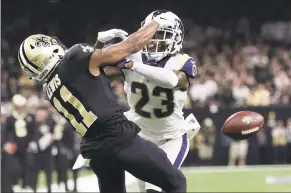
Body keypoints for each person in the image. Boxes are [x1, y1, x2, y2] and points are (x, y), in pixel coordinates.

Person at [18, 12, 186, 193]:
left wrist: (98, 45)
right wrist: (156, 22)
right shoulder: (74, 57)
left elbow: (90, 71)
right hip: (119, 138)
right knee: (175, 182)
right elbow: (131, 45)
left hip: (95, 150)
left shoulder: (48, 90)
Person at [100, 10, 200, 192]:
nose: (155, 41)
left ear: (176, 38)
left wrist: (134, 66)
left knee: (154, 189)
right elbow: (95, 67)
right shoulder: (133, 56)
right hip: (140, 136)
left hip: (171, 138)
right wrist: (103, 46)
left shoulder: (182, 61)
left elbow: (172, 80)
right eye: (152, 35)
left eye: (161, 35)